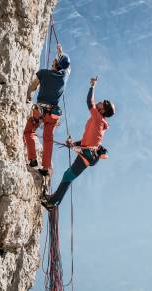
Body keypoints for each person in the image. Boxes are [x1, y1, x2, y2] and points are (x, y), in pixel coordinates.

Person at [41, 77, 116, 209]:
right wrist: (73, 144)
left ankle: (53, 203)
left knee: (68, 176)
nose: (99, 102)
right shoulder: (98, 121)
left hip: (87, 155)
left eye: (102, 104)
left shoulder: (98, 119)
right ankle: (53, 199)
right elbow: (87, 141)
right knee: (68, 175)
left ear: (103, 110)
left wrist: (92, 86)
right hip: (87, 154)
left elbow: (89, 102)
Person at [24, 43, 70, 176]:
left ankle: (32, 159)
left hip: (39, 111)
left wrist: (28, 95)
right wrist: (60, 52)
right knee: (48, 140)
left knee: (29, 131)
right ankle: (45, 167)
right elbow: (67, 68)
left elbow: (33, 87)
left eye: (55, 60)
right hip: (52, 115)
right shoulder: (64, 78)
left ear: (55, 63)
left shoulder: (43, 73)